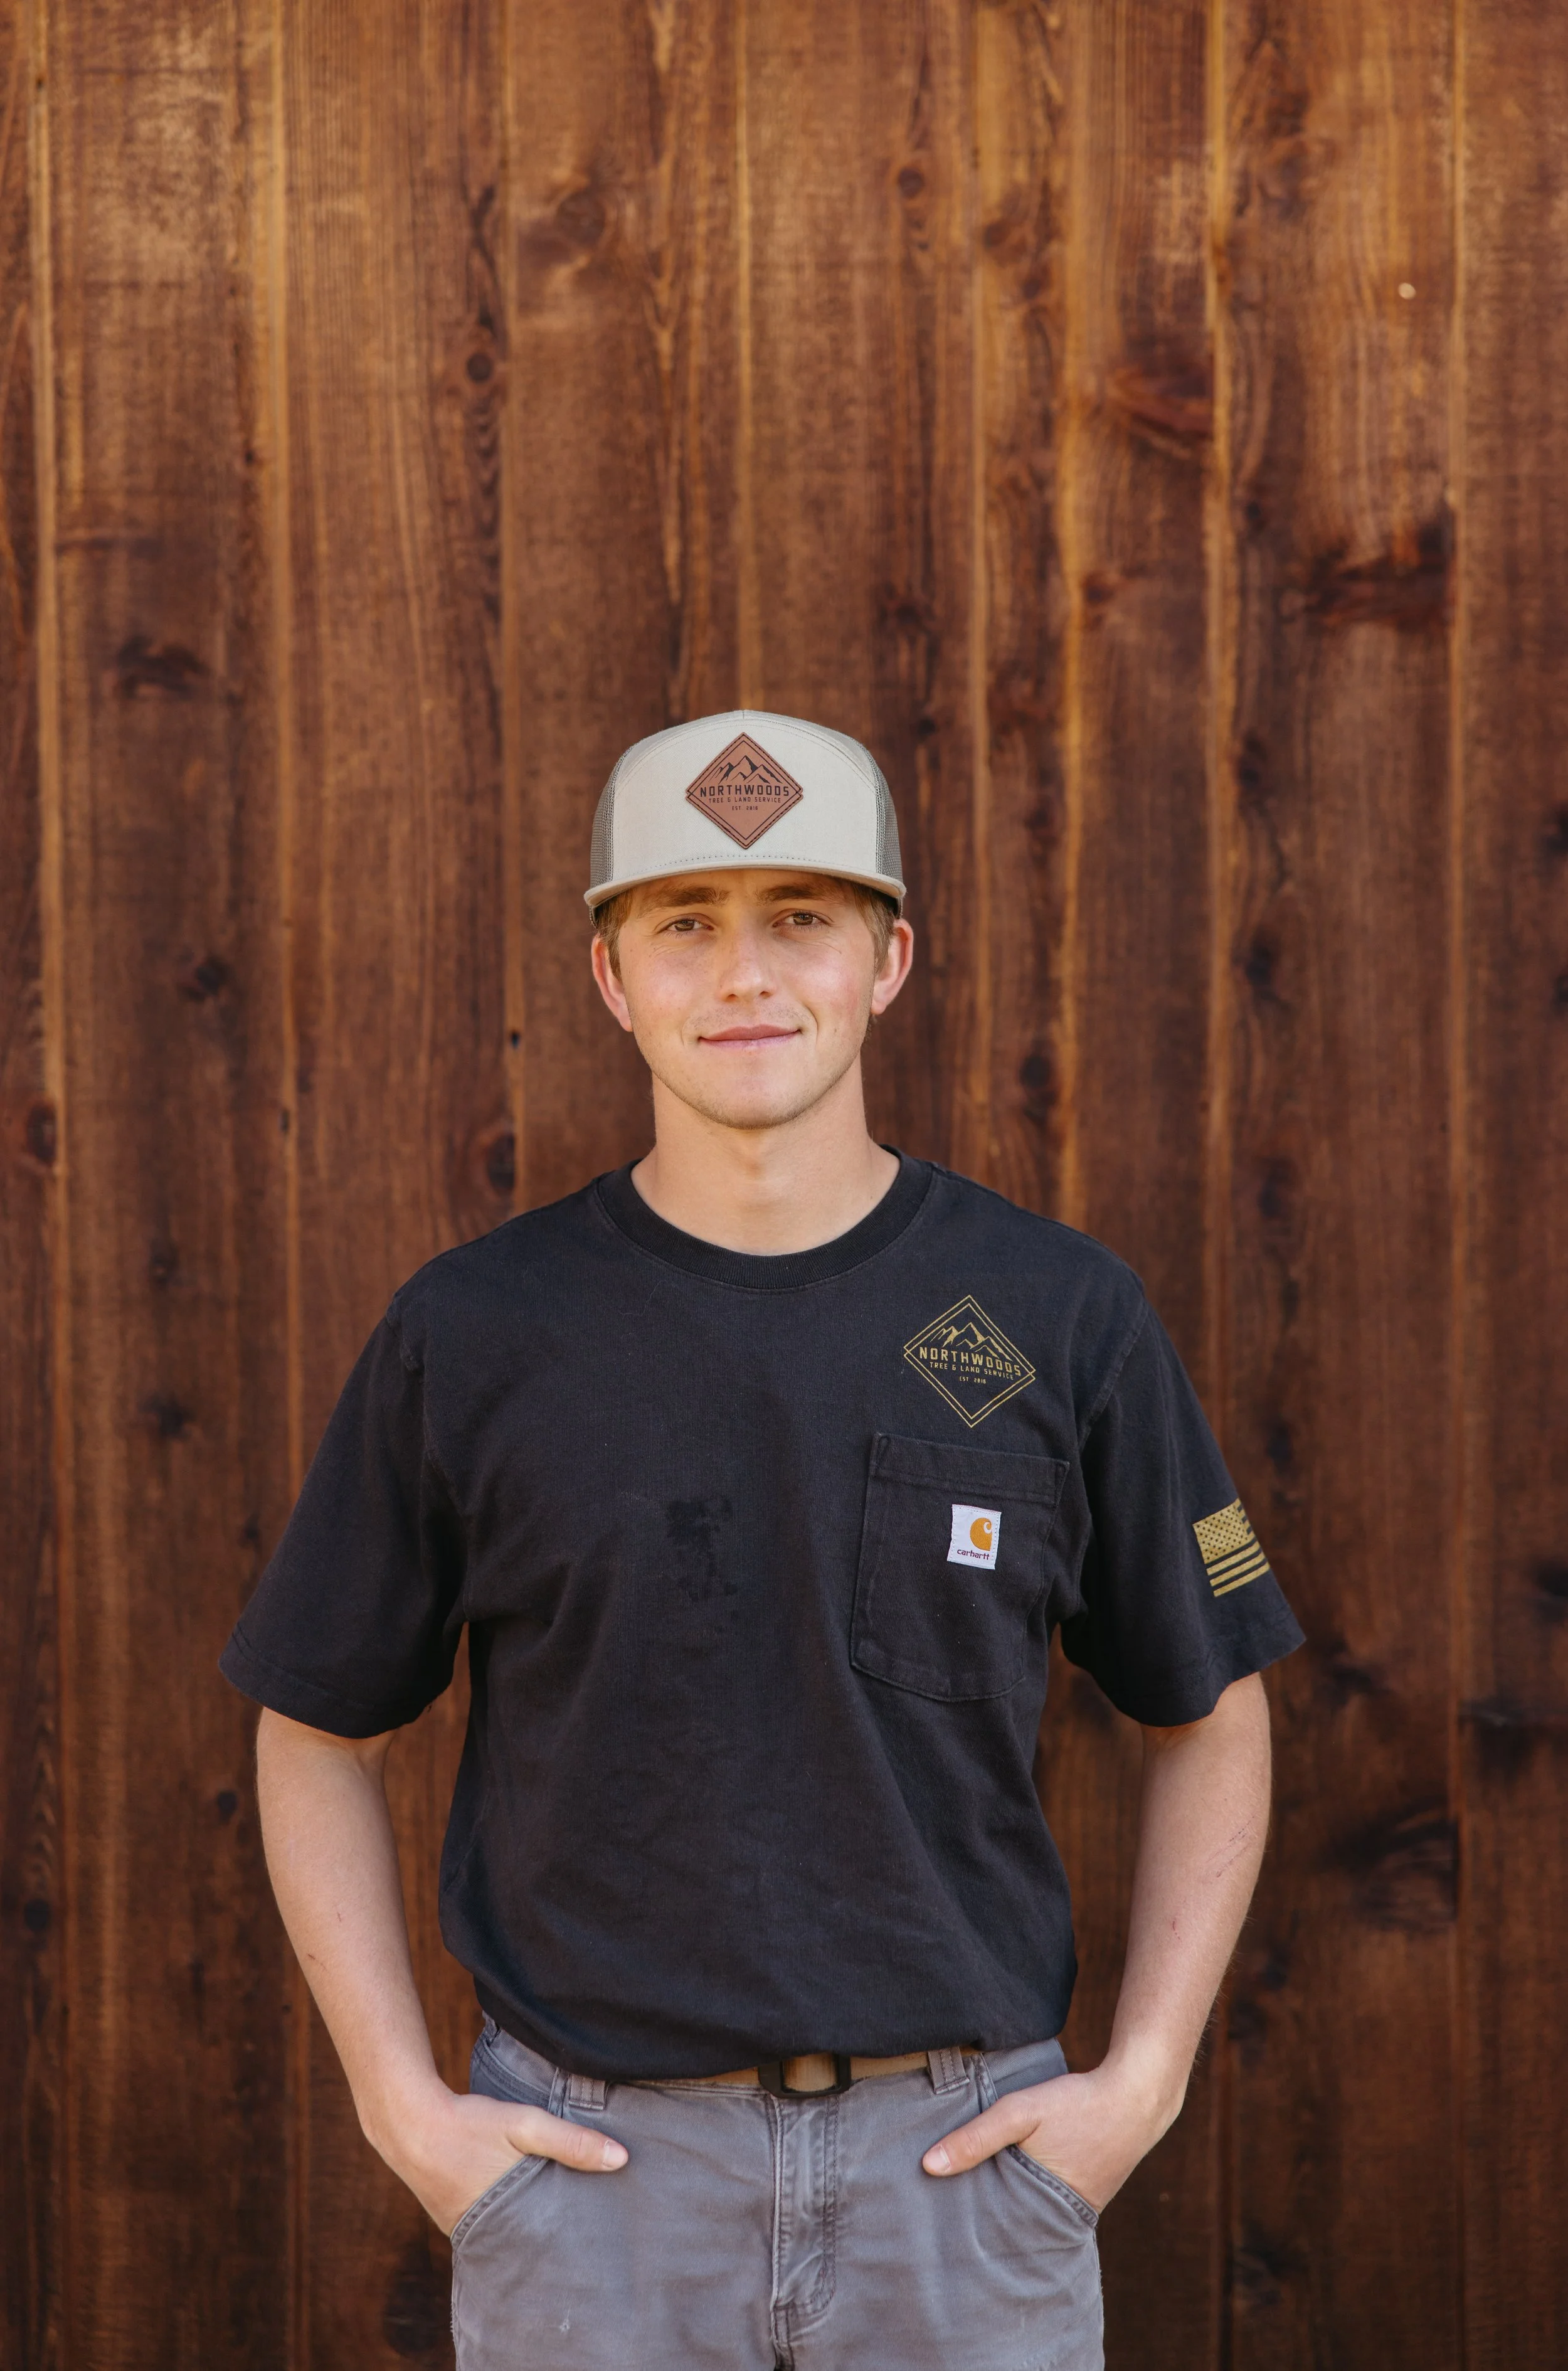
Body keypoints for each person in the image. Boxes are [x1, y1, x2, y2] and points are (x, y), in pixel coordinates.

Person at [222, 710, 1303, 2370]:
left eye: (800, 916)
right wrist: (402, 2107)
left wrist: (1139, 2079)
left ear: (887, 957)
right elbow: (314, 1729)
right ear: (609, 974)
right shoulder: (479, 1329)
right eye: (685, 925)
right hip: (589, 2180)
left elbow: (1208, 1703)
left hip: (961, 2173)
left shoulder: (1049, 1314)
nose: (744, 975)